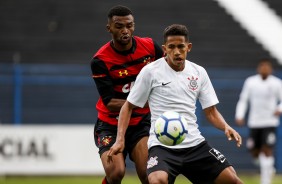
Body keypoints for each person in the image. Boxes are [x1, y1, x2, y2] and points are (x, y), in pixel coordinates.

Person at [108, 24, 243, 184]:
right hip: (162, 146)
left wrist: (225, 127)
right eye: (171, 47)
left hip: (194, 144)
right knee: (157, 180)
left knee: (232, 180)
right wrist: (120, 139)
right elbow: (128, 106)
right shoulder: (150, 71)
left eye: (181, 46)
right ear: (165, 48)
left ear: (189, 47)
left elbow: (211, 112)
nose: (177, 52)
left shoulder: (199, 72)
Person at [90, 5, 163, 184]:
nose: (125, 31)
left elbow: (166, 73)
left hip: (140, 123)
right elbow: (109, 102)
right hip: (110, 124)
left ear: (134, 26)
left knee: (148, 174)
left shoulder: (150, 48)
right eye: (119, 26)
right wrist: (144, 102)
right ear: (109, 28)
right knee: (116, 173)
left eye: (129, 26)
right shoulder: (100, 60)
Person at [235, 59, 282, 184]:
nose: (265, 69)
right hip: (254, 122)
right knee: (255, 151)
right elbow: (243, 99)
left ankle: (265, 180)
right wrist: (239, 114)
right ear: (259, 68)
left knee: (267, 149)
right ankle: (268, 167)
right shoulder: (251, 82)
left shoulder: (277, 83)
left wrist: (279, 108)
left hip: (270, 122)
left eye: (267, 67)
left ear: (271, 69)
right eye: (262, 66)